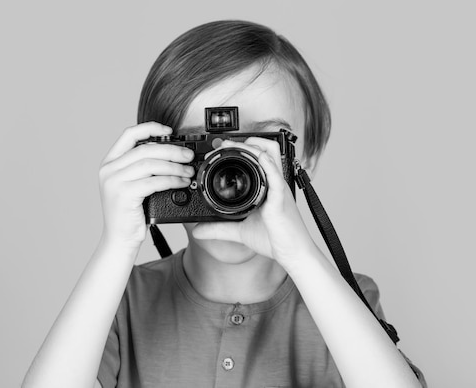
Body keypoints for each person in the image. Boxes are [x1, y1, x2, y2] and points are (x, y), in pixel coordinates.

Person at [22, 20, 426, 388]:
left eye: (262, 145)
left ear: (305, 162)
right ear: (153, 158)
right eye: (199, 148)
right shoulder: (120, 298)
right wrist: (116, 246)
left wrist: (302, 256)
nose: (228, 174)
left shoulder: (342, 299)